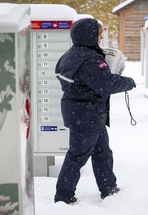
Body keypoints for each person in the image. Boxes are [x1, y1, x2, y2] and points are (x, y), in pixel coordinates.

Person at [54, 18, 136, 204]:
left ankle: (108, 188)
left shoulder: (71, 54)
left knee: (102, 153)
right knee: (76, 156)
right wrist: (129, 82)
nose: (100, 37)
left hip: (83, 114)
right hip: (87, 116)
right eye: (98, 34)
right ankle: (63, 196)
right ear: (88, 35)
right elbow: (107, 83)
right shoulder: (90, 59)